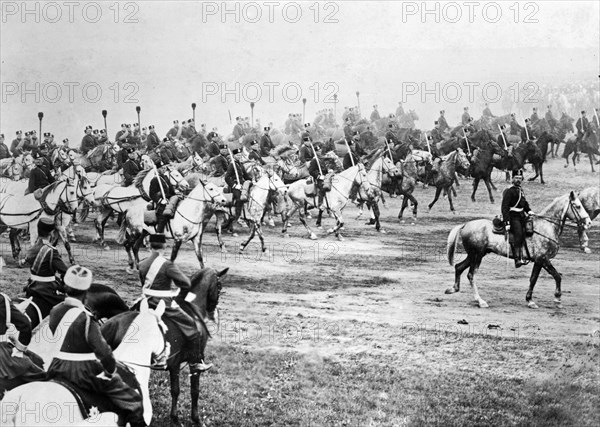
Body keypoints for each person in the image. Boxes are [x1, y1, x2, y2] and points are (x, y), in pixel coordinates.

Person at [46, 265, 146, 427]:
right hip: (83, 371)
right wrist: (111, 369)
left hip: (56, 366)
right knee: (132, 399)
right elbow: (103, 351)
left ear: (65, 287)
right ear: (86, 292)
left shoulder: (55, 311)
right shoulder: (86, 318)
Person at [138, 234, 212, 372]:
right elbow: (186, 283)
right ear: (164, 245)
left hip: (145, 302)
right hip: (163, 304)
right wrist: (177, 291)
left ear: (149, 245)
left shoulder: (141, 264)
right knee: (193, 327)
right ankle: (195, 362)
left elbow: (144, 284)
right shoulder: (167, 265)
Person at [0, 292, 46, 394]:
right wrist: (20, 348)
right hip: (2, 355)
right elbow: (25, 324)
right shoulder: (2, 299)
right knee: (42, 376)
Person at [501, 169, 534, 268]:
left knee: (530, 230)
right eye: (516, 178)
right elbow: (505, 207)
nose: (518, 180)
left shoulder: (520, 190)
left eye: (520, 178)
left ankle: (527, 254)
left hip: (521, 216)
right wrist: (507, 222)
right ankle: (517, 258)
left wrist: (529, 210)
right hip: (513, 217)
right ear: (512, 178)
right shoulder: (509, 191)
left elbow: (524, 203)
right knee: (518, 234)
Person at [149, 165, 178, 234]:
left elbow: (170, 189)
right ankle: (158, 233)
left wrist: (175, 193)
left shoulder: (165, 177)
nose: (164, 169)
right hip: (160, 203)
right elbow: (152, 194)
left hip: (168, 199)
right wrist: (160, 200)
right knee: (163, 215)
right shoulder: (155, 180)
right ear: (157, 169)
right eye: (162, 168)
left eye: (164, 168)